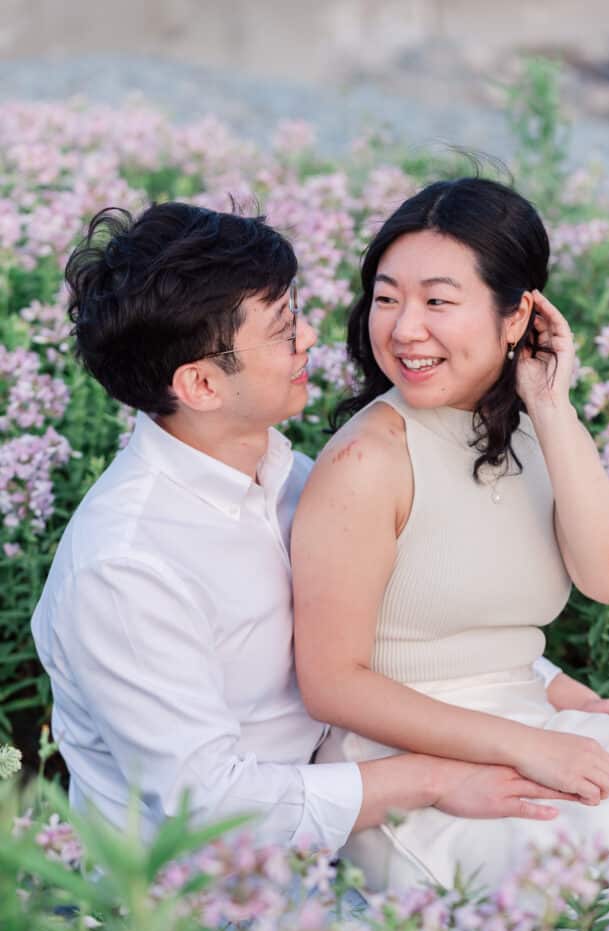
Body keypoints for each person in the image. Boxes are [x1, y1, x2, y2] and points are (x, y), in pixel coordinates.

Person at [30, 200, 575, 855]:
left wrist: (555, 689)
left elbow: (410, 624)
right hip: (197, 909)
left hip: (348, 808)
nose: (312, 337)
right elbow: (210, 804)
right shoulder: (127, 568)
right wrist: (431, 780)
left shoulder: (290, 476)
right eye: (284, 330)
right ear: (201, 384)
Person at [292, 177, 609, 892]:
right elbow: (330, 684)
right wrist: (528, 746)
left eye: (439, 301)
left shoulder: (531, 425)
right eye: (387, 298)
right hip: (404, 771)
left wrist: (551, 403)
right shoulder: (367, 460)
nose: (406, 328)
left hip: (531, 726)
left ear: (517, 318)